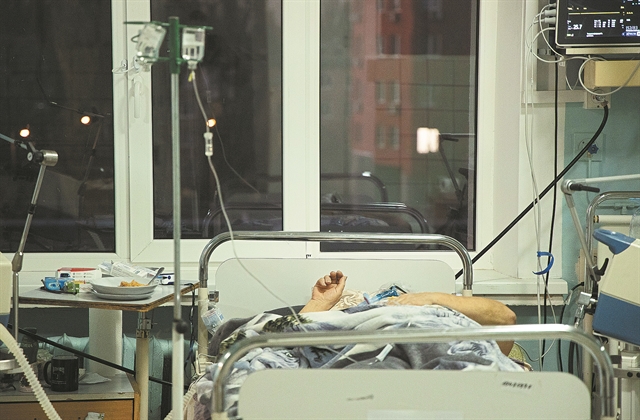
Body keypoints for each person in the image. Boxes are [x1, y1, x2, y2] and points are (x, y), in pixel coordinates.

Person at [299, 270, 517, 355]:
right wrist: (319, 304)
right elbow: (289, 342)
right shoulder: (341, 320)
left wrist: (431, 298)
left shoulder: (437, 313)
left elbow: (505, 318)